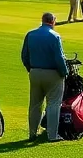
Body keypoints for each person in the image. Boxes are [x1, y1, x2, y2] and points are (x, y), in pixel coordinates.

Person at [22, 13, 68, 142]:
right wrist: (64, 72)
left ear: (42, 20)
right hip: (52, 73)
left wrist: (30, 69)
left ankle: (32, 133)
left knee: (35, 104)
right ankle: (52, 135)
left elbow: (24, 56)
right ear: (53, 21)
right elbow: (59, 58)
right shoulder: (55, 36)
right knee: (54, 103)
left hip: (35, 72)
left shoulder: (30, 34)